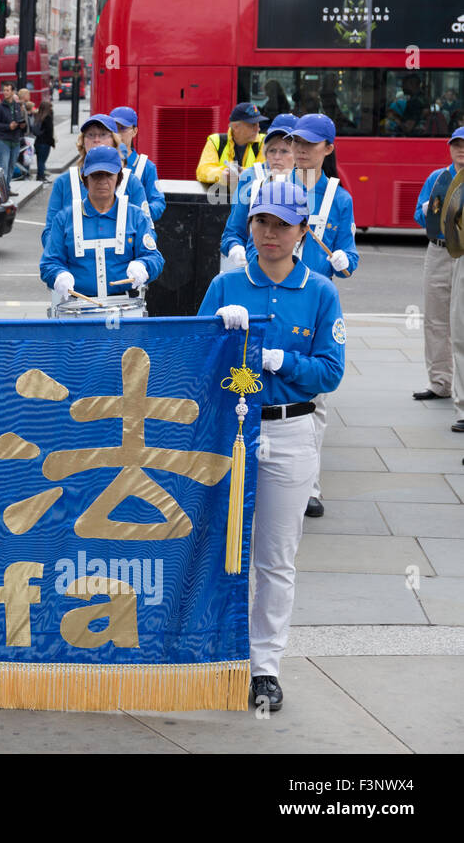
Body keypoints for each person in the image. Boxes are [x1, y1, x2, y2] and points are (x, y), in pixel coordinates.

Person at [199, 179, 345, 712]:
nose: (269, 234)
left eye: (282, 224)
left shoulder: (320, 291)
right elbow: (194, 361)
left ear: (302, 231)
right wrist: (218, 336)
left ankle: (265, 666)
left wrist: (284, 363)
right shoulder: (226, 286)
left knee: (276, 558)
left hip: (289, 430)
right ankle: (213, 651)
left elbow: (332, 370)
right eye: (261, 222)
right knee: (218, 546)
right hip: (229, 432)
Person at [286, 112, 358, 518]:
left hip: (317, 303)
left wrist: (346, 259)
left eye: (309, 145)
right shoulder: (275, 186)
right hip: (275, 298)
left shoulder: (339, 197)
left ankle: (311, 486)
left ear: (328, 148)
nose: (300, 151)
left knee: (316, 399)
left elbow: (349, 258)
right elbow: (245, 234)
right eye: (296, 143)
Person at [41, 145, 163, 315]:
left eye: (109, 175)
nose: (103, 180)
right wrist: (58, 275)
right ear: (85, 179)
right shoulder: (64, 219)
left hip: (126, 308)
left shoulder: (136, 216)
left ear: (118, 178)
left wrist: (144, 266)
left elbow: (155, 257)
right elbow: (49, 263)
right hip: (77, 308)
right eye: (96, 175)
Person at [412, 127, 464, 426]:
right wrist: (426, 211)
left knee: (459, 324)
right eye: (456, 145)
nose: (460, 150)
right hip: (439, 251)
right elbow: (421, 216)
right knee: (435, 319)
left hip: (463, 253)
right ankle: (440, 382)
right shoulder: (438, 178)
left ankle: (459, 389)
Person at [42, 113, 148, 247]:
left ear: (114, 141)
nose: (96, 140)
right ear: (83, 140)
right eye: (90, 135)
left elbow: (147, 231)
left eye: (103, 134)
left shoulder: (131, 182)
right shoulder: (64, 182)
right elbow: (49, 233)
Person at [221, 114, 296, 271]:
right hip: (254, 270)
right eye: (272, 150)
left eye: (284, 151)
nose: (276, 157)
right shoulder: (250, 177)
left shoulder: (309, 181)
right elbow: (233, 231)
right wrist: (235, 248)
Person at [110, 106, 166, 222]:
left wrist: (138, 213)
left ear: (135, 131)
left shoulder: (146, 166)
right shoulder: (98, 162)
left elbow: (158, 203)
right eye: (114, 129)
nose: (118, 134)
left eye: (123, 128)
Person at [196, 102, 267, 187]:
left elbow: (265, 170)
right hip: (222, 198)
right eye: (252, 125)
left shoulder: (264, 142)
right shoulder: (216, 141)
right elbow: (203, 171)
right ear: (235, 127)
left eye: (258, 124)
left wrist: (242, 173)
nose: (258, 129)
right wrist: (223, 174)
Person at [0, 83, 27, 185]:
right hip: (3, 140)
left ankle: (7, 188)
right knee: (4, 166)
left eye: (8, 90)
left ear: (13, 92)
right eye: (4, 90)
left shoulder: (16, 106)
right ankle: (2, 192)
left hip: (15, 140)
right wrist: (8, 126)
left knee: (11, 166)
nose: (5, 92)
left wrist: (21, 125)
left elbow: (19, 119)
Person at [31, 100, 55, 181]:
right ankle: (41, 176)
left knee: (39, 160)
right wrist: (52, 142)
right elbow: (50, 131)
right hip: (45, 143)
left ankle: (40, 175)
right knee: (42, 161)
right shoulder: (47, 117)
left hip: (38, 142)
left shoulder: (38, 116)